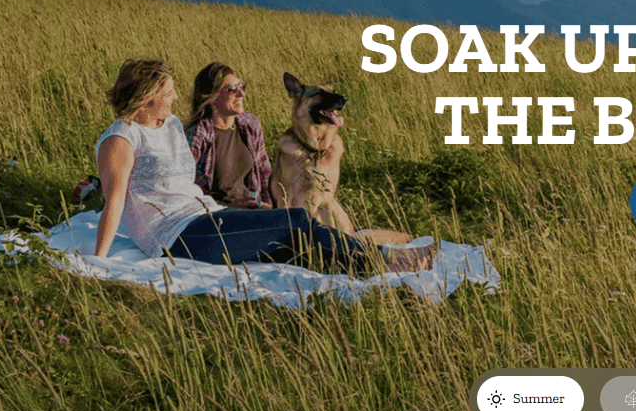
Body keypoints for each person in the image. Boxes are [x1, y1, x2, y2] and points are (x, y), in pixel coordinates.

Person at [92, 58, 433, 273]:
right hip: (177, 236)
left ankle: (372, 264)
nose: (176, 97)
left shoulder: (168, 125)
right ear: (147, 95)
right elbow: (115, 199)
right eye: (168, 92)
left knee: (296, 245)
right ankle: (386, 259)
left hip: (205, 216)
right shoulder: (121, 138)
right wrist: (98, 260)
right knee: (295, 220)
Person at [183, 62, 274, 208]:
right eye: (233, 89)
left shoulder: (250, 125)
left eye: (241, 86)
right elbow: (183, 183)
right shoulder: (197, 134)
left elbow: (265, 172)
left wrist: (271, 206)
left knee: (299, 215)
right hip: (218, 211)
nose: (241, 94)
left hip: (253, 207)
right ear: (212, 97)